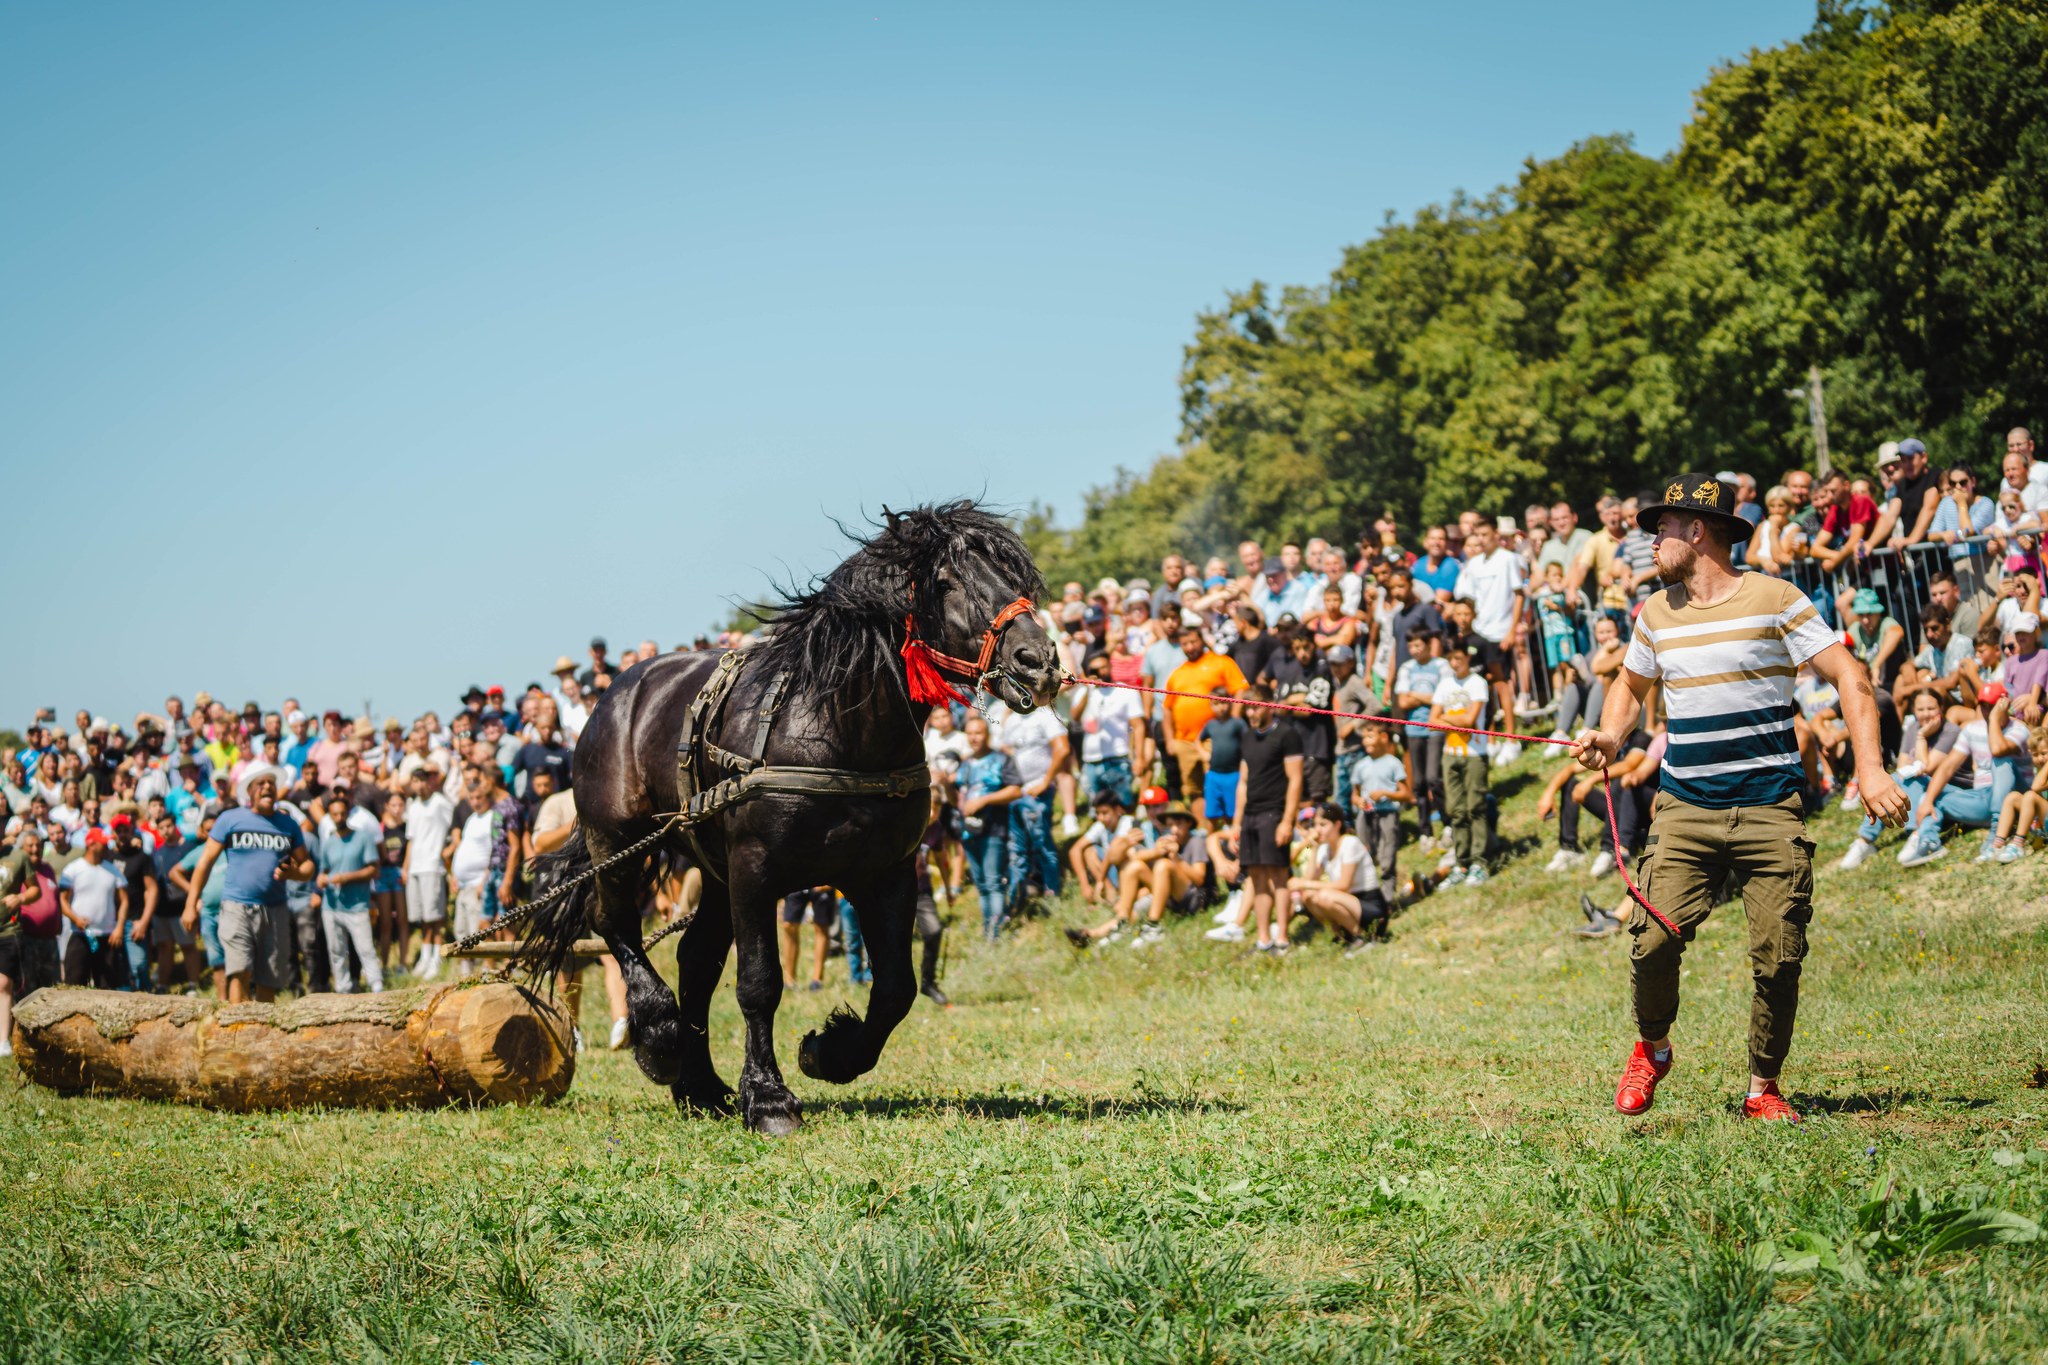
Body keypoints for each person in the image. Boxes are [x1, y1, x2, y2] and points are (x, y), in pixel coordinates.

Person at [1574, 473, 1908, 1124]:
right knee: (1649, 943)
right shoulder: (1654, 614)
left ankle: (1763, 1087)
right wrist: (1610, 735)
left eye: (1662, 528)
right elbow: (1628, 685)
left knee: (1779, 956)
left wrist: (1869, 768)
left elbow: (1851, 675)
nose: (1650, 541)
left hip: (1769, 806)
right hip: (1685, 809)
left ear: (1697, 531)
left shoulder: (1775, 597)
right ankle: (1654, 1046)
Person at [1898, 684, 2027, 866]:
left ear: (2004, 704)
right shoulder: (1972, 730)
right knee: (1933, 796)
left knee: (2000, 760)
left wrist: (1995, 719)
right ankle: (1928, 841)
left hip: (2015, 797)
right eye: (1982, 705)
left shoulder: (2019, 729)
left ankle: (1997, 834)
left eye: (1992, 705)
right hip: (1982, 797)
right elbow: (1947, 767)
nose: (1986, 710)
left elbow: (1998, 749)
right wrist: (1927, 801)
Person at [1231, 683, 1302, 953]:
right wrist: (1236, 823)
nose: (1251, 713)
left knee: (1278, 876)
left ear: (1270, 705)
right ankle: (1263, 939)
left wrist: (1287, 821)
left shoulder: (1287, 735)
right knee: (1257, 877)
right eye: (1248, 708)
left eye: (1256, 707)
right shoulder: (1248, 738)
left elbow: (1295, 780)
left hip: (1274, 813)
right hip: (1251, 815)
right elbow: (1243, 782)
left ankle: (1282, 938)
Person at [1453, 519, 1526, 760]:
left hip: (1500, 632)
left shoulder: (1508, 559)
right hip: (1479, 632)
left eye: (1486, 534)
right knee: (1483, 686)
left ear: (1496, 534)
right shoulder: (1473, 565)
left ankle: (1512, 738)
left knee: (1502, 684)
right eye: (1478, 535)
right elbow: (1470, 600)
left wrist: (1511, 630)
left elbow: (1518, 596)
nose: (1482, 539)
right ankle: (1491, 738)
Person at [1430, 643, 1494, 887]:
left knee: (1475, 806)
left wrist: (1445, 717)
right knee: (1456, 810)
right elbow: (1431, 721)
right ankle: (1462, 860)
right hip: (1450, 752)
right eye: (1451, 659)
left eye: (1458, 658)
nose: (1455, 663)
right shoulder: (1445, 684)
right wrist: (1452, 719)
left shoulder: (1477, 682)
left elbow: (1469, 720)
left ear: (1467, 657)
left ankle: (1480, 861)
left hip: (1474, 752)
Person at [956, 714, 1023, 941]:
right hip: (967, 831)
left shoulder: (1001, 759)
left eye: (979, 733)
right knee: (982, 885)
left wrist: (984, 800)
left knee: (993, 882)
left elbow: (1015, 790)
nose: (974, 738)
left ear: (987, 735)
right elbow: (957, 795)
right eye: (970, 734)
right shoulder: (964, 764)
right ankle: (989, 932)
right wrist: (945, 786)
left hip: (993, 829)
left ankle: (997, 933)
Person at [1165, 622, 1249, 800]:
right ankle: (1204, 828)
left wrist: (1232, 720)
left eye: (1193, 642)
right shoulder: (1177, 673)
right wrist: (1170, 740)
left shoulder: (1220, 662)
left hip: (1214, 738)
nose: (1189, 647)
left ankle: (1228, 825)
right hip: (1184, 741)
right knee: (1193, 790)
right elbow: (1167, 708)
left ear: (1201, 640)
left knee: (1220, 787)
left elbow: (1240, 689)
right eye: (1185, 643)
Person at [998, 699, 1068, 911]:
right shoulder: (1012, 720)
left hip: (1038, 791)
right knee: (1017, 850)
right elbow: (1004, 747)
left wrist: (1046, 782)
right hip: (1017, 793)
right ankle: (1018, 899)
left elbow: (1062, 749)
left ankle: (1052, 896)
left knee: (1041, 845)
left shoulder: (1045, 715)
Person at [1287, 804, 1386, 949]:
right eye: (1315, 825)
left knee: (1324, 895)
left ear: (1337, 825)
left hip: (1371, 906)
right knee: (1308, 896)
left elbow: (1343, 885)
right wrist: (1311, 846)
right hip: (1349, 904)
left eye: (1323, 825)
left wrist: (1304, 884)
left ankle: (1360, 937)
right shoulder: (1324, 849)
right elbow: (1309, 880)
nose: (1317, 829)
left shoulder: (1350, 843)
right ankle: (1344, 934)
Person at [315, 785, 385, 993]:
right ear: (329, 815)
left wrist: (347, 877)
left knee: (366, 949)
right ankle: (343, 988)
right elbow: (323, 870)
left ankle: (377, 986)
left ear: (348, 813)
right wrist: (322, 879)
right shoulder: (328, 842)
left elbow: (374, 870)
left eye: (342, 813)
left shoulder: (362, 838)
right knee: (336, 950)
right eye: (334, 814)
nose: (338, 817)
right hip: (332, 905)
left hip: (357, 904)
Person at [57, 829, 132, 988]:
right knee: (74, 985)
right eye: (102, 843)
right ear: (91, 845)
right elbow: (63, 900)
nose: (106, 846)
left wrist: (119, 927)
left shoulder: (113, 871)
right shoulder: (73, 869)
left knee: (107, 987)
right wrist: (75, 918)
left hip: (107, 936)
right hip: (80, 935)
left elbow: (124, 900)